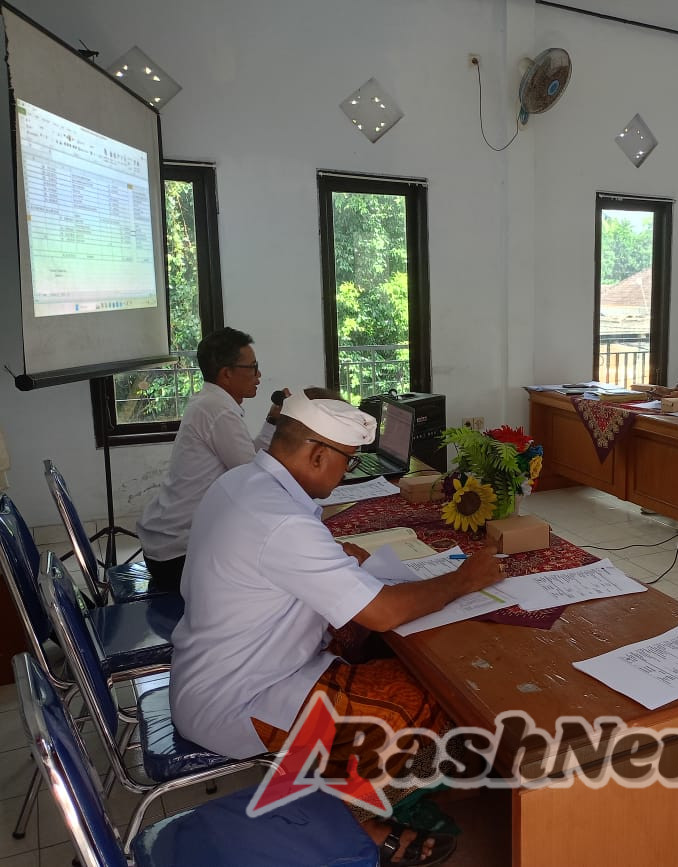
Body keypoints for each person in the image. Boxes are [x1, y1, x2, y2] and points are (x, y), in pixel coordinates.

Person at [171, 393, 502, 863]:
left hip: (222, 667)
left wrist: (334, 559)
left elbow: (270, 561)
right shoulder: (281, 520)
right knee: (429, 698)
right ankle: (358, 825)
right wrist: (463, 579)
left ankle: (359, 788)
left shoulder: (242, 483)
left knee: (372, 648)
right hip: (240, 697)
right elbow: (383, 612)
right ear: (317, 454)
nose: (344, 473)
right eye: (345, 461)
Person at [137, 327, 283, 593]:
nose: (259, 375)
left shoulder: (210, 403)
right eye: (253, 367)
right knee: (275, 568)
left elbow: (248, 460)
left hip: (166, 546)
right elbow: (253, 479)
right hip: (177, 555)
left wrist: (273, 420)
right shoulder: (218, 412)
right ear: (226, 373)